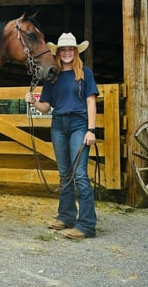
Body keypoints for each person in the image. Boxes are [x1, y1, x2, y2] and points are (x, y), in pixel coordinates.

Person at [26, 32, 99, 239]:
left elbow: (91, 102)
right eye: (63, 50)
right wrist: (33, 101)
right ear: (58, 53)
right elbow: (45, 107)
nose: (67, 53)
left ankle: (86, 225)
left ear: (76, 52)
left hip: (79, 124)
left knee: (81, 174)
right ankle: (65, 216)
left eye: (70, 50)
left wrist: (91, 130)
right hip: (58, 124)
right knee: (65, 173)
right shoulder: (52, 76)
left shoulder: (84, 73)